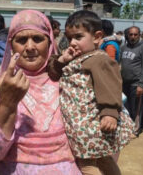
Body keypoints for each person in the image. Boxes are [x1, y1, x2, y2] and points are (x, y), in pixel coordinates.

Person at [0, 10, 81, 175]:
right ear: (11, 45)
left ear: (50, 42)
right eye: (22, 40)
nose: (30, 47)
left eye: (38, 39)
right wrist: (7, 104)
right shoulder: (0, 88)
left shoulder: (69, 81)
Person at [48, 10, 133, 174]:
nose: (72, 42)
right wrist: (62, 60)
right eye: (69, 37)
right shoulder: (74, 58)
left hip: (91, 126)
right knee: (103, 158)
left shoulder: (98, 59)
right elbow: (53, 71)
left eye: (78, 37)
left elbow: (111, 85)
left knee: (86, 164)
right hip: (81, 125)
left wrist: (109, 112)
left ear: (96, 37)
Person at [121, 26, 143, 135]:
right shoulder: (123, 47)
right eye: (131, 34)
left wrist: (141, 84)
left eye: (135, 34)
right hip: (124, 83)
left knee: (136, 108)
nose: (133, 37)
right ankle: (128, 127)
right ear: (127, 35)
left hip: (136, 83)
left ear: (139, 35)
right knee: (126, 107)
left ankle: (136, 129)